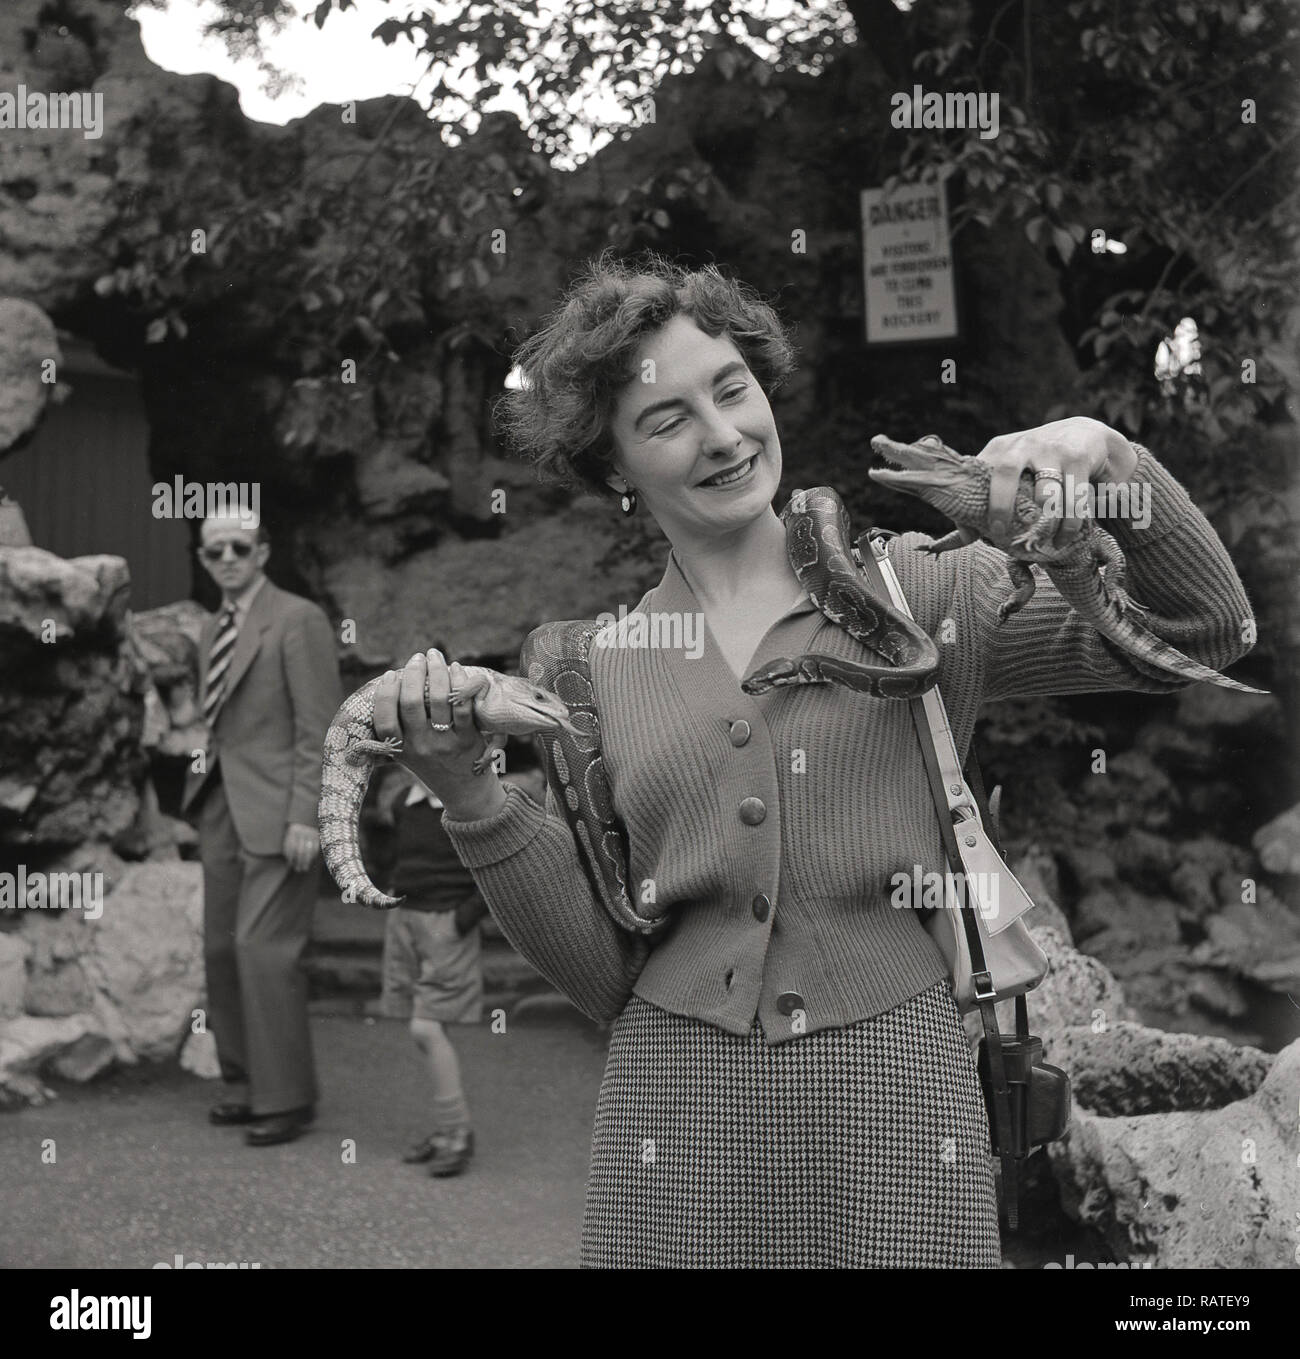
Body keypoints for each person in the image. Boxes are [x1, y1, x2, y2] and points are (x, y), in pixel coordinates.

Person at [366, 255, 1255, 1266]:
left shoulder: (919, 594)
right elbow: (596, 975)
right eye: (665, 420)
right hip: (673, 1123)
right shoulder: (590, 669)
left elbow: (1205, 631)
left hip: (900, 1105)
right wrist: (468, 793)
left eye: (731, 389)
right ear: (613, 467)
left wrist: (1110, 459)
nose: (721, 435)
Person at [182, 509, 342, 1147]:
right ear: (202, 558)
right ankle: (243, 1083)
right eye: (214, 549)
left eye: (239, 547)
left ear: (263, 552)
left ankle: (287, 1099)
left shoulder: (297, 619)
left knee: (262, 949)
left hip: (281, 813)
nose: (226, 558)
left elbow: (321, 729)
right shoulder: (210, 627)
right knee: (220, 950)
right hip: (221, 804)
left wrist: (309, 816)